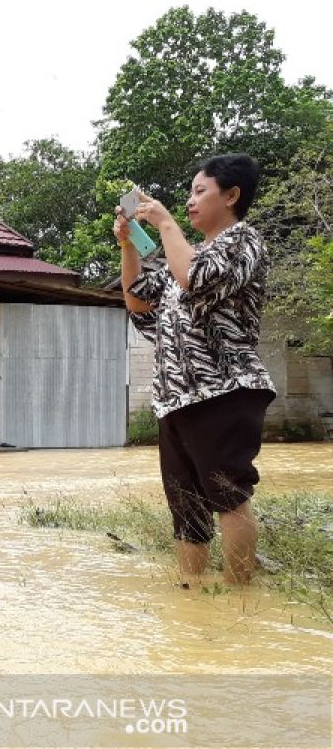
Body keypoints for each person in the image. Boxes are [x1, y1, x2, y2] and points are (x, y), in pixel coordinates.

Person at [115, 153, 275, 587]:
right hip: (176, 400)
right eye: (189, 193)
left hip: (223, 391)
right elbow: (138, 303)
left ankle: (239, 599)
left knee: (229, 497)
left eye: (199, 191)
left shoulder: (244, 242)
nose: (189, 200)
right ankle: (193, 597)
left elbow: (197, 279)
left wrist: (166, 224)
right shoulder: (184, 257)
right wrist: (129, 243)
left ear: (232, 195)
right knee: (186, 508)